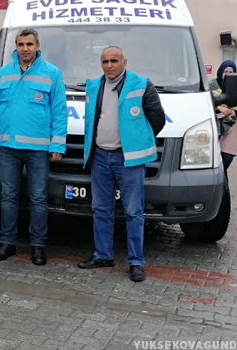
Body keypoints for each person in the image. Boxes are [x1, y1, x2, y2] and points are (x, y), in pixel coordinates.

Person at [77, 46, 166, 282]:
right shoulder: (95, 85)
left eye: (114, 60)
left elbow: (157, 119)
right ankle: (103, 254)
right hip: (101, 157)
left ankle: (136, 262)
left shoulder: (141, 84)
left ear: (124, 62)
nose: (109, 65)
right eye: (105, 61)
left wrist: (136, 140)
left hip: (129, 160)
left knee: (134, 212)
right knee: (101, 209)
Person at [0, 29, 67, 265]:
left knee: (38, 198)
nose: (25, 48)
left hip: (38, 149)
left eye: (29, 44)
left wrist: (57, 144)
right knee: (8, 196)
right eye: (21, 44)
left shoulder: (51, 73)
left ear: (38, 46)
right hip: (8, 147)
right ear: (16, 46)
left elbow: (59, 112)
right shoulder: (4, 73)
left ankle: (38, 246)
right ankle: (7, 242)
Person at [210, 60, 237, 172]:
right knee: (215, 156)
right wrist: (220, 108)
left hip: (230, 123)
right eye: (225, 71)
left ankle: (222, 177)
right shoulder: (212, 85)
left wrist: (231, 111)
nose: (227, 74)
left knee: (227, 156)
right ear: (220, 72)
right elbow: (207, 101)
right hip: (215, 124)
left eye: (231, 72)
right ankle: (221, 183)